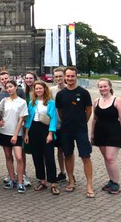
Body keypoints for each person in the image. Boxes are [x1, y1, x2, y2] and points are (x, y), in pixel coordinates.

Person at [55, 66, 94, 198]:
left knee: (85, 156)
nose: (70, 79)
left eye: (72, 76)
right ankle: (71, 181)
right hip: (66, 130)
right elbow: (60, 112)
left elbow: (89, 111)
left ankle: (89, 185)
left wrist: (82, 122)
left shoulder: (84, 93)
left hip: (81, 130)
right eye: (68, 76)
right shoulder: (60, 95)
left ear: (76, 76)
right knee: (68, 155)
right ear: (65, 77)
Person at [91, 78, 121, 194]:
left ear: (110, 87)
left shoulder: (117, 100)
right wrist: (92, 134)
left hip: (114, 132)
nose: (103, 89)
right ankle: (111, 181)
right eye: (100, 87)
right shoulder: (96, 101)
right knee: (106, 158)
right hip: (100, 132)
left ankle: (116, 183)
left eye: (105, 86)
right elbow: (95, 119)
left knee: (111, 158)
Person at [25, 81, 59, 195]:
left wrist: (50, 133)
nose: (38, 90)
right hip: (34, 129)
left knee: (49, 157)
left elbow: (53, 118)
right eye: (36, 89)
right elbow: (29, 119)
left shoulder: (50, 102)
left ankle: (53, 182)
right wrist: (26, 133)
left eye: (40, 88)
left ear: (45, 89)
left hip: (46, 129)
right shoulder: (32, 103)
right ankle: (42, 181)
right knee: (37, 157)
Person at [0, 80, 28, 193]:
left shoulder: (22, 102)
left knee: (19, 157)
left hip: (16, 134)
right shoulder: (4, 101)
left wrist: (15, 134)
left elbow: (21, 119)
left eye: (11, 87)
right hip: (4, 132)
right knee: (8, 156)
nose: (9, 89)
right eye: (7, 87)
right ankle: (12, 180)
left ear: (16, 88)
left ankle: (20, 182)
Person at [50, 67, 69, 183]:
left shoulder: (69, 89)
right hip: (54, 125)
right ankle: (62, 172)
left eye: (60, 76)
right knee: (57, 151)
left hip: (66, 126)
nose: (58, 79)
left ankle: (69, 172)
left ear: (64, 77)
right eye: (56, 76)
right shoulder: (51, 90)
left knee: (65, 151)